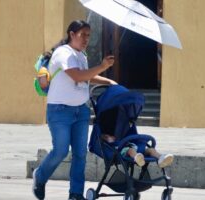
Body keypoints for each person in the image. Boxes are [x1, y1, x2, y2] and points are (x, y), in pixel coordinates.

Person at [32, 20, 117, 200]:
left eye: (88, 35)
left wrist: (108, 82)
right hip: (60, 111)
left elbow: (86, 77)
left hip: (81, 111)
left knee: (80, 154)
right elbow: (77, 76)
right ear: (71, 34)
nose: (86, 39)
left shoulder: (81, 55)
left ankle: (75, 193)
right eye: (82, 34)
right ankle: (40, 176)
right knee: (61, 150)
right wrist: (102, 66)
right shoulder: (64, 53)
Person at [101, 133, 174, 168]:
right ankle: (137, 158)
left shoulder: (120, 138)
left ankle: (161, 159)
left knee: (151, 150)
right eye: (108, 137)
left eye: (112, 135)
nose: (112, 137)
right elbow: (107, 143)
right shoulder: (113, 144)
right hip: (124, 151)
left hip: (138, 150)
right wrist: (107, 139)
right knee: (130, 150)